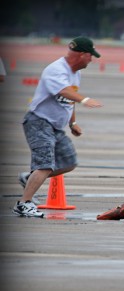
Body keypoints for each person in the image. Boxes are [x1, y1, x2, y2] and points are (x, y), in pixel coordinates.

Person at [13, 36, 103, 217]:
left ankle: (29, 178)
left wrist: (73, 123)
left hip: (55, 127)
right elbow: (63, 91)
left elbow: (69, 99)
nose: (91, 60)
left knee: (69, 161)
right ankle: (23, 204)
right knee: (45, 164)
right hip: (39, 122)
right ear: (82, 55)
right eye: (90, 56)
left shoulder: (75, 73)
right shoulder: (56, 70)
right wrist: (85, 100)